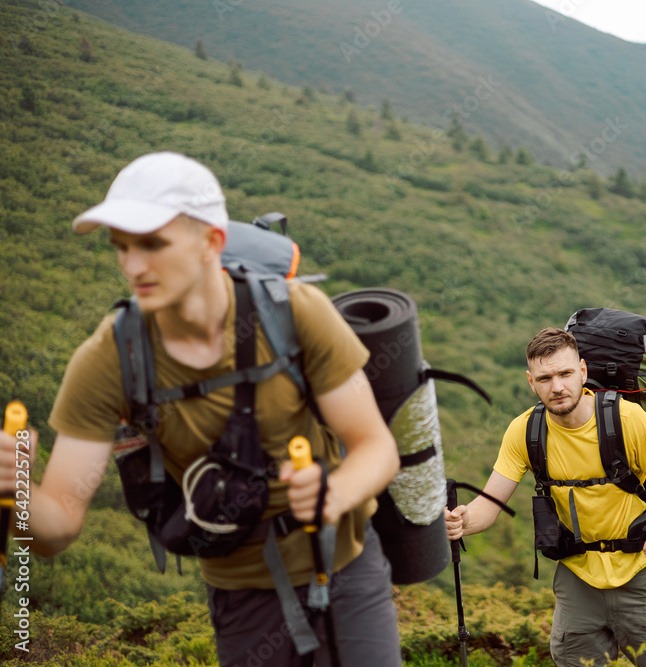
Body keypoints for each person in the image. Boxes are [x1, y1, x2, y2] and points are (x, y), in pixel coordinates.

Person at [0, 152, 403, 666]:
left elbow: (376, 446)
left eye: (152, 244)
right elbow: (57, 528)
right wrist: (20, 496)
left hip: (347, 567)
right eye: (120, 247)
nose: (132, 265)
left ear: (211, 242)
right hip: (240, 595)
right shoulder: (109, 359)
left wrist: (334, 491)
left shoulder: (293, 311)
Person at [445, 327, 646, 667]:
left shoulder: (626, 419)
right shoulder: (526, 431)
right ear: (531, 382)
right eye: (545, 378)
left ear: (583, 372)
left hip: (640, 571)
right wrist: (463, 520)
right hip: (577, 580)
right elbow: (491, 502)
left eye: (565, 374)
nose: (557, 387)